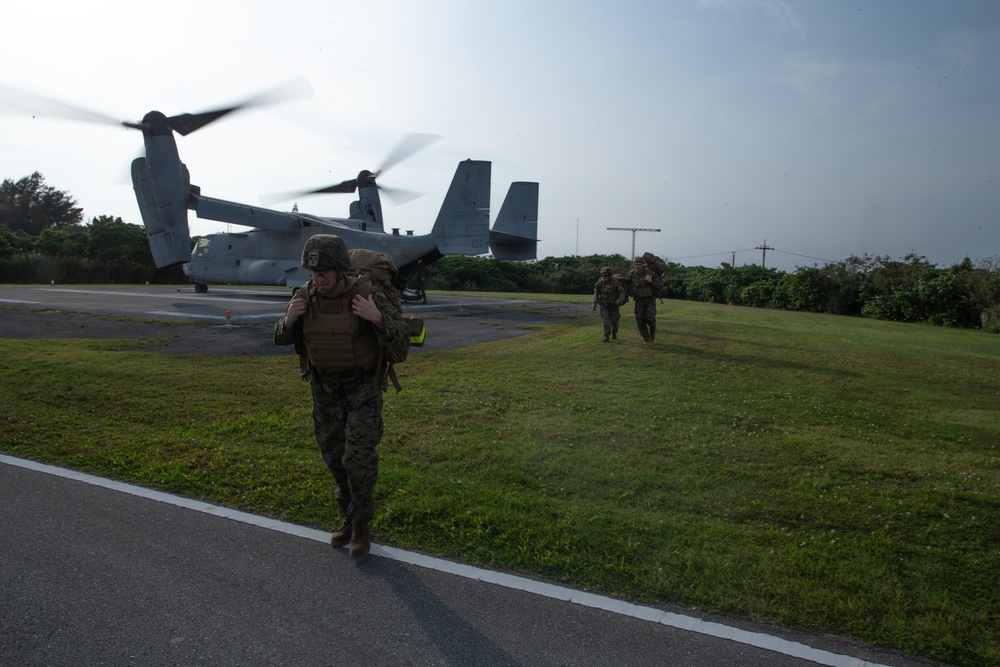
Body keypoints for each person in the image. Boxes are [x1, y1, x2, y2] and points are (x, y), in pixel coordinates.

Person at [274, 234, 409, 560]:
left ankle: (362, 526)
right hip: (324, 391)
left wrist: (375, 317)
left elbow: (402, 342)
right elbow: (280, 337)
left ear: (341, 270)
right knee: (335, 460)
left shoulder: (367, 294)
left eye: (325, 271)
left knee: (358, 459)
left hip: (362, 389)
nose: (319, 278)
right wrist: (289, 319)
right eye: (313, 271)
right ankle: (348, 515)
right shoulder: (305, 296)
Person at [623, 257, 663, 342]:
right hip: (639, 300)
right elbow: (628, 281)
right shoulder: (632, 274)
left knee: (650, 318)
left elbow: (659, 285)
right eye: (635, 265)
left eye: (639, 265)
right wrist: (618, 278)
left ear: (643, 265)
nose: (637, 267)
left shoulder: (649, 273)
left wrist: (650, 281)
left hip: (650, 300)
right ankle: (646, 338)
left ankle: (652, 332)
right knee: (640, 320)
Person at [592, 266, 625, 342]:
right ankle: (606, 336)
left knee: (615, 321)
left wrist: (619, 300)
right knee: (606, 321)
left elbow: (622, 292)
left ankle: (614, 333)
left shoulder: (615, 282)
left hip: (614, 305)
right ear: (602, 275)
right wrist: (594, 305)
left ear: (610, 275)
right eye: (604, 275)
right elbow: (596, 294)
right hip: (604, 305)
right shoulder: (599, 283)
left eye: (607, 275)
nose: (606, 277)